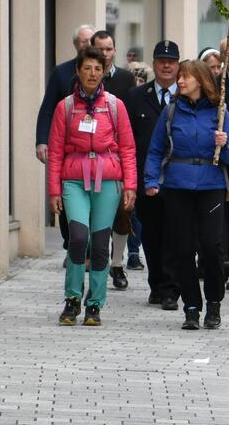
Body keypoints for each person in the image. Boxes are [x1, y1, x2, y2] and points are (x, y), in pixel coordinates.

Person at [143, 60, 229, 330]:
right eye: (180, 77)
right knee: (183, 248)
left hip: (211, 185)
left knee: (211, 246)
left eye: (186, 77)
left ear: (201, 80)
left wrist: (224, 144)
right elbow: (156, 149)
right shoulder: (171, 111)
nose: (180, 81)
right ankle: (192, 307)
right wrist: (151, 179)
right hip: (178, 186)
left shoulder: (220, 112)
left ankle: (214, 302)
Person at [47, 46, 137, 326]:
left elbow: (128, 148)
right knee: (78, 238)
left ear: (104, 72)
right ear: (78, 71)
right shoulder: (65, 107)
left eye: (98, 68)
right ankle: (72, 298)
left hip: (108, 180)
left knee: (99, 244)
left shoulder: (114, 105)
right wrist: (54, 190)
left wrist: (130, 185)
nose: (93, 73)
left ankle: (95, 303)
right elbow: (55, 151)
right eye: (87, 68)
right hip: (74, 180)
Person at [123, 41, 181, 310]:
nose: (166, 66)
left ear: (178, 65)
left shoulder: (187, 94)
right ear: (154, 64)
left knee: (175, 234)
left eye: (171, 61)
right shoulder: (136, 97)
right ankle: (157, 283)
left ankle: (171, 288)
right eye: (161, 61)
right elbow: (128, 141)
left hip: (179, 179)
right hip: (147, 179)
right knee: (152, 234)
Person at [36, 24, 96, 256]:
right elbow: (47, 109)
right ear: (75, 45)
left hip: (97, 151)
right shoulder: (61, 72)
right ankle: (72, 243)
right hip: (67, 148)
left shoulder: (101, 71)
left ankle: (88, 250)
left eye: (90, 40)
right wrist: (42, 140)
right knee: (67, 199)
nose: (87, 45)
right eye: (83, 41)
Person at [91, 29, 144, 287]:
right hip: (89, 159)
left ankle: (117, 264)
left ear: (115, 50)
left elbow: (132, 122)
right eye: (100, 49)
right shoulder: (81, 77)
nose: (105, 53)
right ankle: (94, 260)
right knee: (93, 214)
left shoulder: (125, 79)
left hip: (118, 157)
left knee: (123, 213)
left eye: (109, 48)